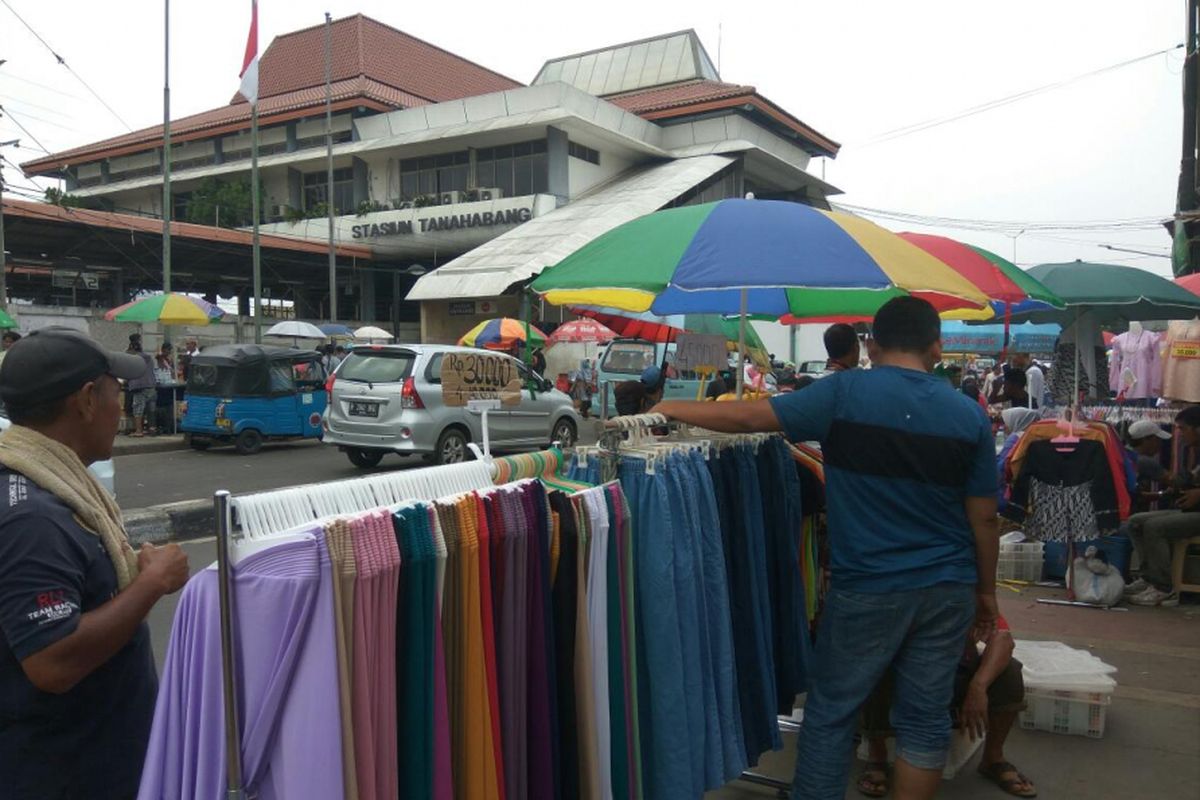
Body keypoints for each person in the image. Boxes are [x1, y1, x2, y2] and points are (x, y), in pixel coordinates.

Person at [652, 297, 1000, 800]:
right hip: (948, 587)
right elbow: (984, 519)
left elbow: (751, 419)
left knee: (833, 712)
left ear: (871, 345)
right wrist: (986, 594)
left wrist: (667, 407)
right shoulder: (968, 416)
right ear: (937, 347)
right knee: (923, 719)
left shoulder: (842, 394)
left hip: (868, 587)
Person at [0, 327, 190, 798]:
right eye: (116, 391)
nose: (119, 407)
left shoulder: (41, 488)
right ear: (86, 400)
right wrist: (151, 584)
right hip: (64, 773)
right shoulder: (33, 519)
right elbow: (52, 662)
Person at [857, 615, 1036, 798]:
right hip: (907, 681)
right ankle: (877, 755)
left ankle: (993, 758)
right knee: (875, 671)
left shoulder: (968, 596)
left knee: (1009, 671)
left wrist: (978, 686)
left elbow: (1003, 639)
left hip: (955, 676)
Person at [1123, 406, 1200, 607]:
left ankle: (1163, 587)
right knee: (1135, 522)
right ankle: (1148, 577)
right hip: (1191, 510)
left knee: (1155, 527)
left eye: (1183, 429)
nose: (1180, 435)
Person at [1126, 419, 1173, 512]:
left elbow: (1134, 495)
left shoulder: (1124, 453)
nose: (1160, 445)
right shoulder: (1144, 461)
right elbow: (1174, 481)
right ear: (1146, 440)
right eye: (1157, 440)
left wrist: (1161, 494)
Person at [126, 333, 157, 437]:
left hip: (139, 386)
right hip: (151, 385)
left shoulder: (134, 358)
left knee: (138, 409)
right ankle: (152, 429)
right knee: (150, 408)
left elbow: (129, 372)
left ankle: (138, 431)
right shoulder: (148, 357)